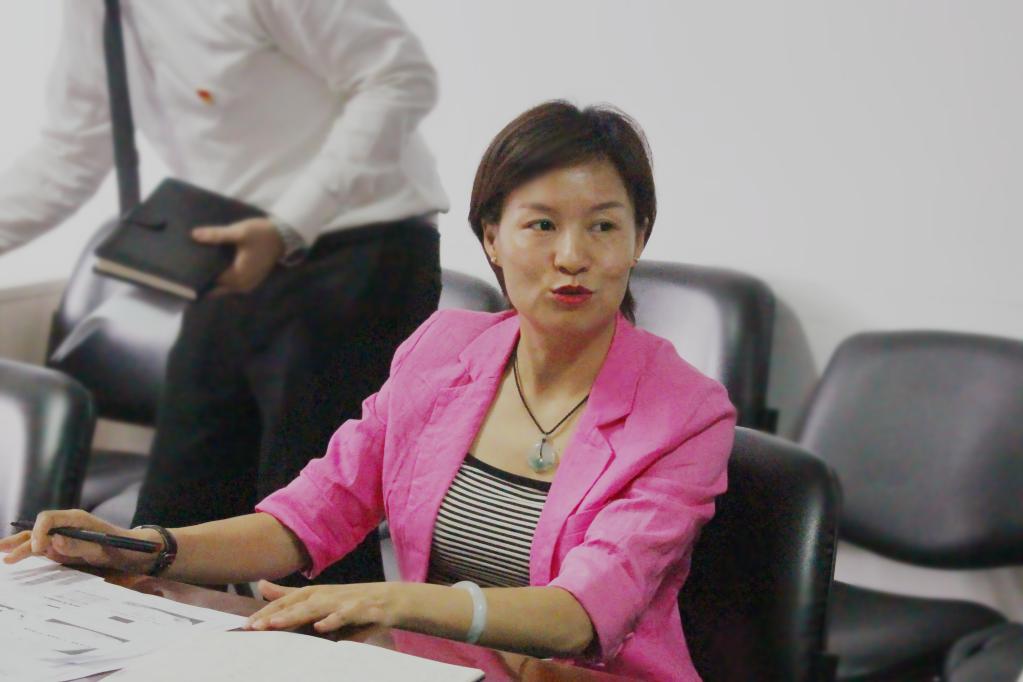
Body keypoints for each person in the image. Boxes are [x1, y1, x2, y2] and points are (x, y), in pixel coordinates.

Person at [1, 101, 736, 681]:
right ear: (491, 238)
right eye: (541, 225)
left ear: (638, 239)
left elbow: (584, 612)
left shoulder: (687, 413)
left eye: (603, 227)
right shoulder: (443, 351)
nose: (571, 256)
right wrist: (144, 548)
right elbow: (311, 515)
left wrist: (391, 603)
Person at [0, 1, 448, 586]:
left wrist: (290, 224)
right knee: (164, 529)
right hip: (235, 255)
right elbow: (71, 150)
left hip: (359, 255)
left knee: (311, 537)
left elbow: (398, 76)